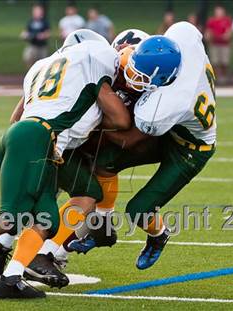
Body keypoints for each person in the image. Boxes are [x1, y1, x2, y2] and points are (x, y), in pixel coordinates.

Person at [0, 30, 131, 299]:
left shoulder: (44, 66)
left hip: (31, 139)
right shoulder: (93, 61)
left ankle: (11, 278)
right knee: (13, 218)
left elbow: (15, 117)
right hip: (38, 139)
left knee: (48, 219)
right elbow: (122, 121)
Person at [70, 23, 216, 270]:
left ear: (162, 80)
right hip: (174, 129)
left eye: (142, 77)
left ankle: (159, 235)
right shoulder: (180, 40)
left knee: (139, 209)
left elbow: (128, 138)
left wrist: (95, 123)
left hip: (190, 150)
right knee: (104, 160)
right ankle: (102, 227)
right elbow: (189, 31)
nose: (133, 76)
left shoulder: (167, 104)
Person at [205, 5, 232, 83]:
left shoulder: (227, 20)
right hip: (214, 44)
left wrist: (225, 36)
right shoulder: (211, 21)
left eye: (220, 11)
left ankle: (224, 77)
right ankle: (217, 78)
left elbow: (228, 33)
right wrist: (209, 37)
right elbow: (208, 32)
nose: (219, 13)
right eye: (217, 11)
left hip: (224, 45)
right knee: (215, 62)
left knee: (225, 62)